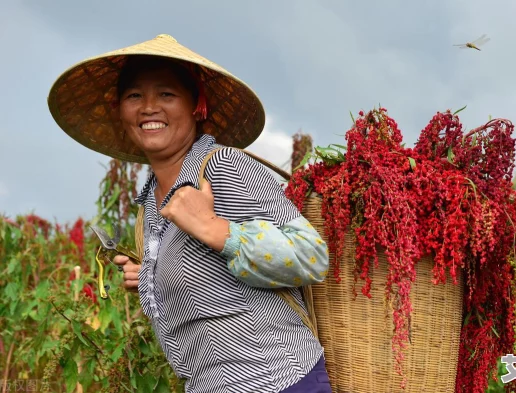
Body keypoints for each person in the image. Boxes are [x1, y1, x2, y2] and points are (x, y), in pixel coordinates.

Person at [48, 34, 332, 393]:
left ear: (197, 106)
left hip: (276, 380)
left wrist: (216, 229)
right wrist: (151, 274)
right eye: (135, 96)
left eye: (166, 95)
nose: (149, 107)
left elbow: (311, 256)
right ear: (121, 111)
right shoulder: (151, 203)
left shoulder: (224, 168)